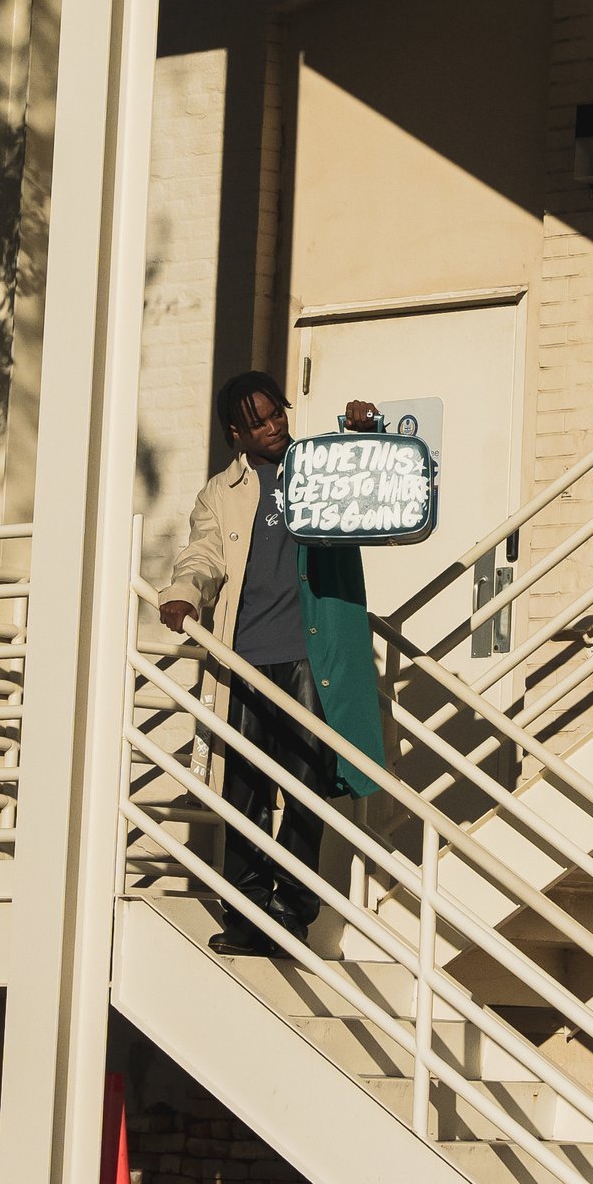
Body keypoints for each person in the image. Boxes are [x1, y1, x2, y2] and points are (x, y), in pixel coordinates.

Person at [159, 371, 390, 953]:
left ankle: (291, 909)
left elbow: (372, 488)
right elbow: (205, 552)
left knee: (308, 786)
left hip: (309, 656)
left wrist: (363, 433)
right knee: (244, 790)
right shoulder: (220, 493)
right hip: (244, 657)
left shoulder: (319, 466)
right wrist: (184, 591)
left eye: (277, 413)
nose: (273, 427)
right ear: (237, 433)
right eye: (258, 422)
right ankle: (246, 911)